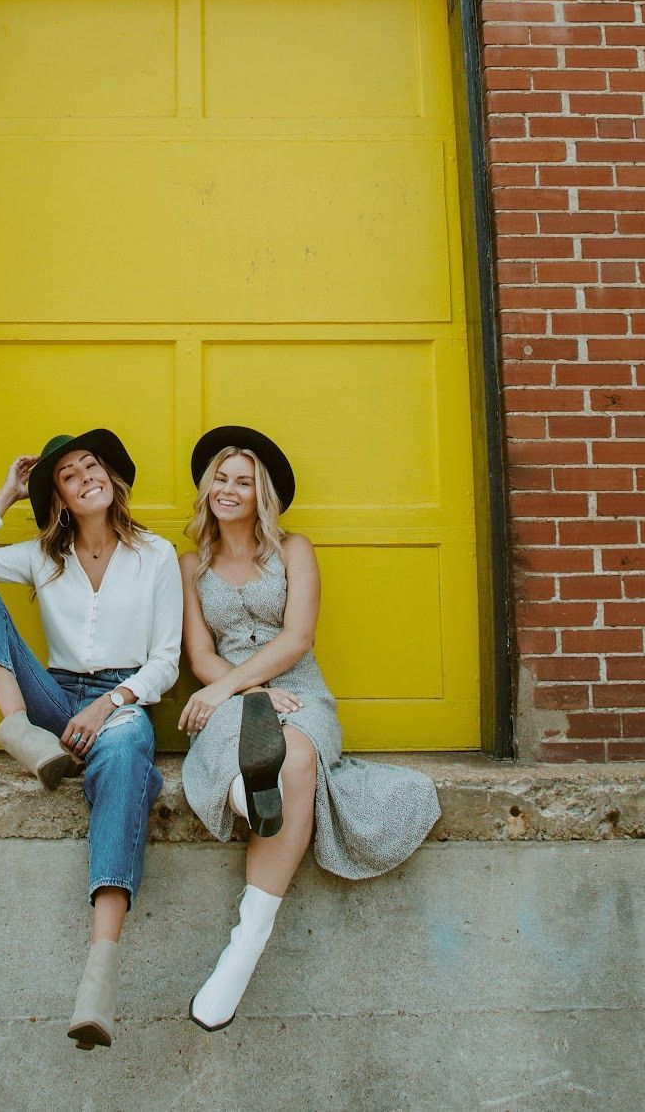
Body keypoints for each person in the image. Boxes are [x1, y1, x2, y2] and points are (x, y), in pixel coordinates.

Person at [179, 425, 441, 1031]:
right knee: (264, 755)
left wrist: (240, 687)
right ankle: (252, 795)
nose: (229, 489)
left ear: (261, 493)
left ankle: (245, 944)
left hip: (298, 693)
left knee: (294, 761)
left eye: (243, 481)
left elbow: (298, 638)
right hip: (232, 698)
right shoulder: (189, 563)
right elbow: (200, 656)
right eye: (221, 478)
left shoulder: (295, 549)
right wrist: (240, 689)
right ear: (207, 487)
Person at [0, 428, 182, 1050]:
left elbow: (165, 661)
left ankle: (100, 974)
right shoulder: (40, 555)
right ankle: (18, 730)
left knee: (129, 753)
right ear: (59, 500)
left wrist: (109, 703)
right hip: (52, 699)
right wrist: (4, 495)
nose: (85, 478)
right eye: (69, 477)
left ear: (112, 478)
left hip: (121, 700)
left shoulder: (155, 554)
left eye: (91, 466)